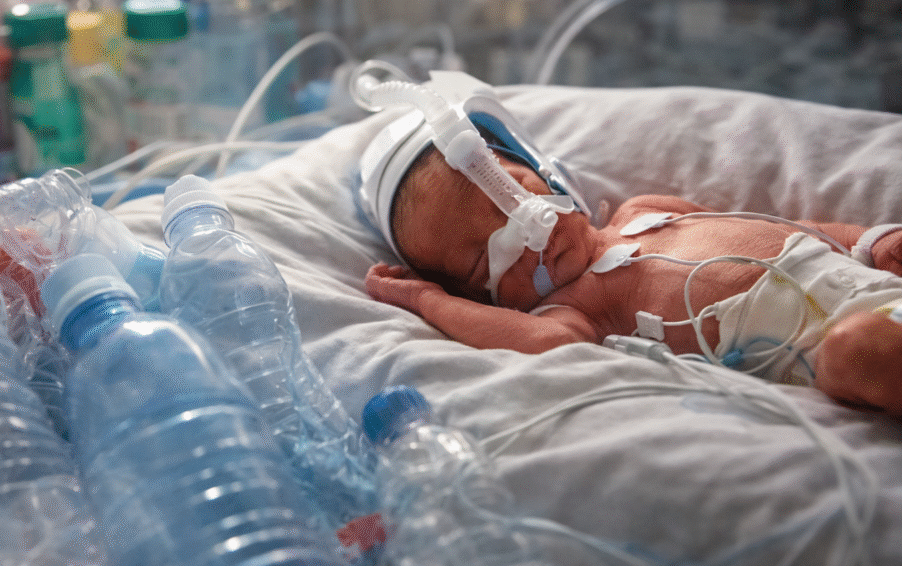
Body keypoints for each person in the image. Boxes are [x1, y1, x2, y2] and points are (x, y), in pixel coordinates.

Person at [364, 145, 902, 417]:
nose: (529, 232)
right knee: (856, 350)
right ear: (479, 294)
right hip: (843, 346)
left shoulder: (646, 210)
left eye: (520, 190)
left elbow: (783, 230)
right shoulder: (570, 308)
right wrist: (428, 302)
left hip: (875, 286)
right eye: (487, 258)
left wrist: (867, 241)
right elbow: (549, 344)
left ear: (546, 174)